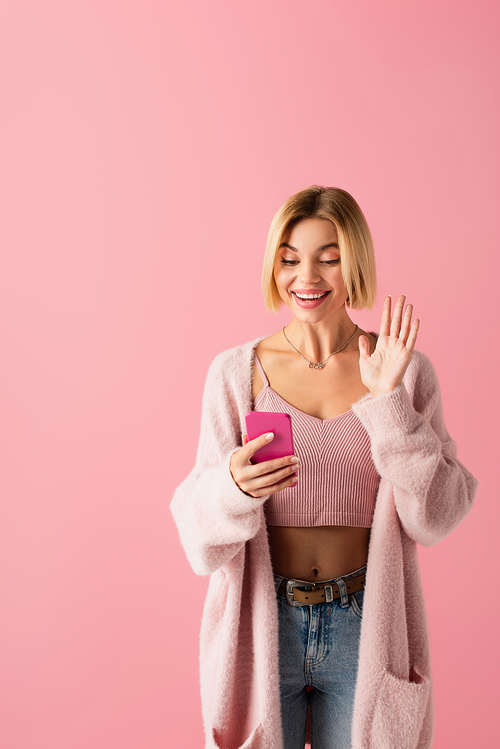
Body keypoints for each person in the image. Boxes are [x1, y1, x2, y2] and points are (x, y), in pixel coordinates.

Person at [171, 186, 478, 749]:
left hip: (365, 629)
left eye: (328, 257)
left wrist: (388, 404)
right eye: (289, 258)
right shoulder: (236, 375)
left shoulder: (404, 372)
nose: (306, 276)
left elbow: (436, 516)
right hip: (266, 629)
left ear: (354, 261)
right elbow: (197, 538)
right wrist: (233, 487)